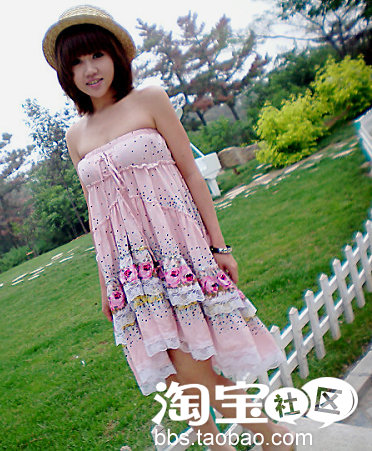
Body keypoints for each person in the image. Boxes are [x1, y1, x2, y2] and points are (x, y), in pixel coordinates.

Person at [42, 5, 295, 450]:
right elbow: (97, 215)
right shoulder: (75, 135)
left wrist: (219, 247)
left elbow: (192, 173)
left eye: (97, 55)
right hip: (129, 269)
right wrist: (106, 285)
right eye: (76, 63)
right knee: (174, 374)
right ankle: (216, 444)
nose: (90, 70)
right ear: (67, 74)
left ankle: (275, 439)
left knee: (196, 369)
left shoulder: (149, 99)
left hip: (178, 251)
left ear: (116, 56)